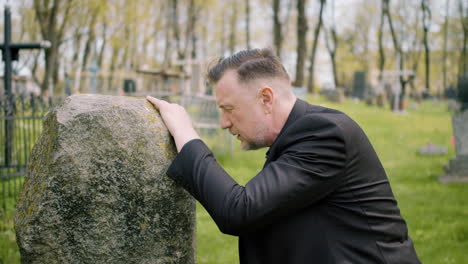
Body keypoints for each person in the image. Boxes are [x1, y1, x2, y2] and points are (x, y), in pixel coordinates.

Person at [146, 48, 421, 264]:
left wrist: (185, 134)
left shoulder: (325, 134)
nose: (224, 123)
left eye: (229, 109)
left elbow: (240, 210)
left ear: (266, 99)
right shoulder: (299, 135)